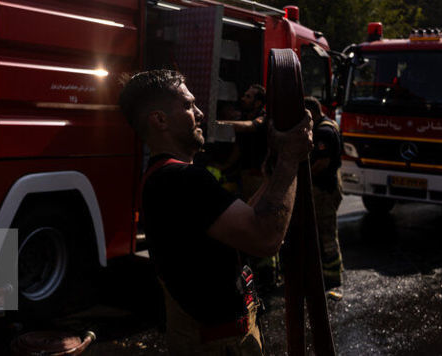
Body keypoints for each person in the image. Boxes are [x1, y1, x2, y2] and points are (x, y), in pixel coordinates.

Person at [119, 70, 312, 355]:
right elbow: (265, 237)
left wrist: (273, 176)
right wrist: (289, 159)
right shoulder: (182, 180)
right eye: (188, 105)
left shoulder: (163, 177)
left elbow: (245, 220)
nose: (199, 113)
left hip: (208, 339)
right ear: (159, 120)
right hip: (220, 345)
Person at [304, 97, 345, 300]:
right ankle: (327, 274)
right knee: (323, 232)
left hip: (323, 190)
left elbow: (322, 163)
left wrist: (303, 178)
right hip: (327, 187)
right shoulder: (329, 124)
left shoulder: (323, 132)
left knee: (326, 233)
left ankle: (332, 278)